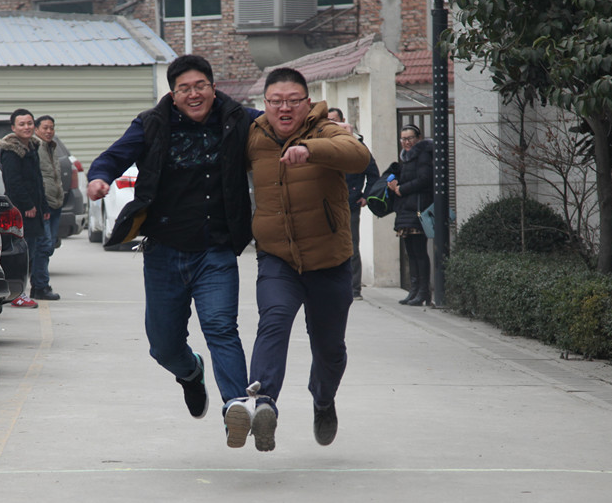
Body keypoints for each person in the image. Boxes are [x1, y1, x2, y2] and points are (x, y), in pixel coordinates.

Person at [86, 55, 262, 448]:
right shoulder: (152, 123)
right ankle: (190, 372)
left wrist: (327, 128)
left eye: (200, 86)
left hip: (216, 250)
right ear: (173, 94)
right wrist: (99, 178)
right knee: (163, 345)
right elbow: (112, 157)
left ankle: (236, 406)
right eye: (184, 89)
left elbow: (283, 125)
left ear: (213, 88)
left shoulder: (238, 119)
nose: (193, 94)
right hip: (164, 251)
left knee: (221, 328)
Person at [245, 68, 372, 452]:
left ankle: (323, 398)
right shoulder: (253, 136)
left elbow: (359, 156)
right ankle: (264, 403)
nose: (284, 108)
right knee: (273, 321)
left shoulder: (326, 130)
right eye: (275, 101)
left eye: (293, 101)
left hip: (329, 262)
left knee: (329, 349)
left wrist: (311, 150)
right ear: (265, 104)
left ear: (307, 101)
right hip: (277, 258)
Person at [0, 108, 59, 307]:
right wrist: (27, 205)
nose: (27, 127)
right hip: (21, 212)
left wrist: (43, 207)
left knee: (33, 252)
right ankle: (16, 294)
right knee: (21, 255)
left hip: (35, 211)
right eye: (22, 124)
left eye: (29, 123)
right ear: (13, 127)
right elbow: (13, 182)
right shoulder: (11, 151)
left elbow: (37, 181)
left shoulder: (32, 147)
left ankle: (25, 291)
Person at [327, 107, 380, 300]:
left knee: (351, 246)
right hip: (327, 206)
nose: (332, 124)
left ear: (343, 121)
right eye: (328, 121)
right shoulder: (323, 144)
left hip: (350, 204)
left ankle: (354, 288)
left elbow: (373, 174)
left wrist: (365, 195)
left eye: (335, 120)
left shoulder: (358, 146)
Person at [387, 123, 433, 306]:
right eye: (403, 139)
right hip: (406, 210)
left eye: (410, 138)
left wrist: (401, 188)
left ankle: (423, 292)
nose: (406, 142)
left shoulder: (423, 154)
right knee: (411, 253)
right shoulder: (405, 158)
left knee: (419, 252)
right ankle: (413, 290)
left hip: (418, 209)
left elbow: (425, 179)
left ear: (418, 139)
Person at [35, 115, 64, 257]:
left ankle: (40, 269)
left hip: (56, 203)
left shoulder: (51, 147)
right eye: (45, 128)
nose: (49, 131)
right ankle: (38, 271)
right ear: (36, 130)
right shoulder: (35, 147)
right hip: (44, 204)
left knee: (50, 245)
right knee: (44, 245)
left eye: (51, 128)